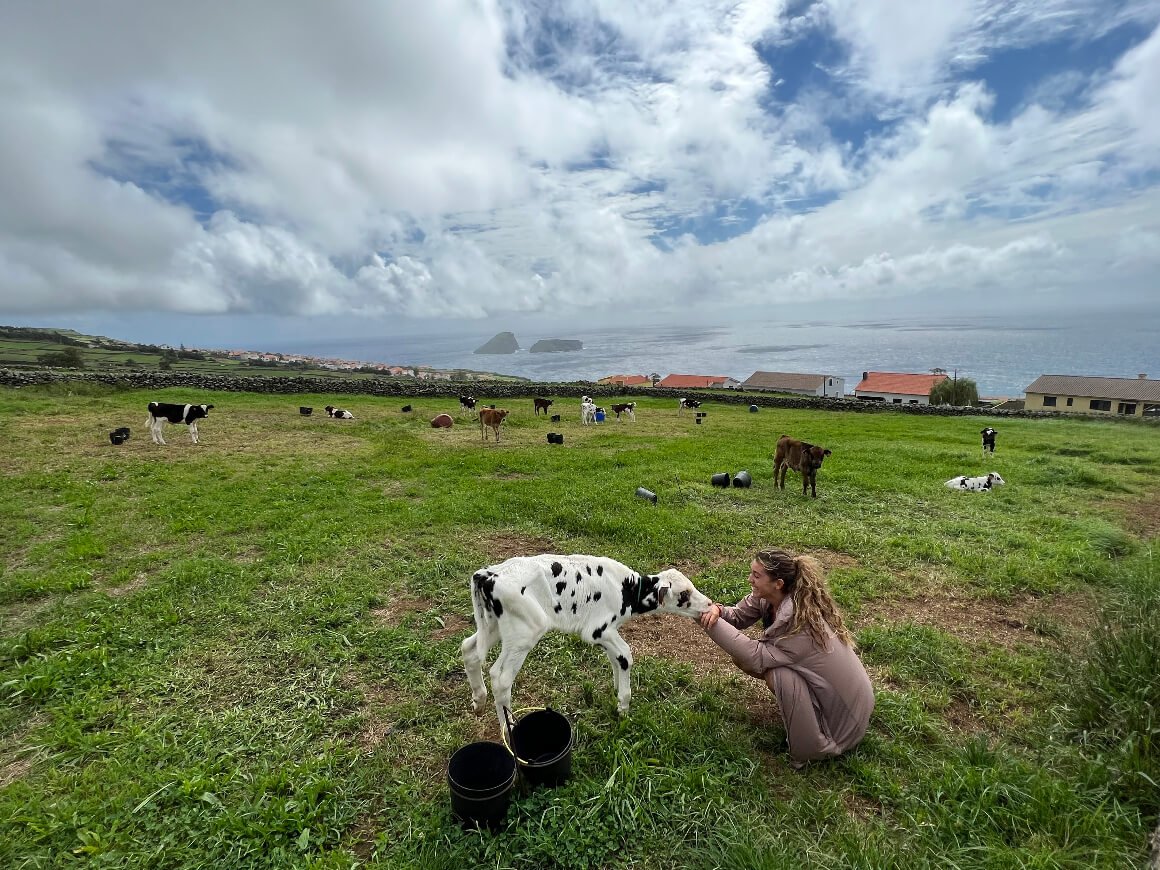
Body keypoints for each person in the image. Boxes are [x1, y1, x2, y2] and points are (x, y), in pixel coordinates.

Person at [700, 548, 873, 769]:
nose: (749, 579)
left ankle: (810, 746)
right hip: (844, 705)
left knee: (777, 673)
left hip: (842, 729)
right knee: (767, 668)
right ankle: (807, 715)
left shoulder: (799, 623)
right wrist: (715, 609)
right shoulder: (770, 598)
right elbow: (738, 616)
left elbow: (754, 657)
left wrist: (698, 614)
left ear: (778, 583)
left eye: (756, 575)